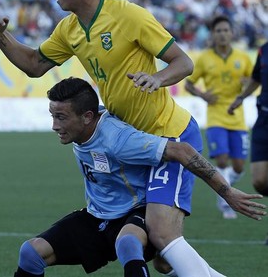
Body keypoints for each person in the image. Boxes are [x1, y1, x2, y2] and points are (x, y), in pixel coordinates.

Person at [0, 0, 245, 277]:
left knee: (161, 232)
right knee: (161, 255)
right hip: (130, 139)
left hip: (168, 131)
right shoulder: (70, 29)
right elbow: (34, 64)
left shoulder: (127, 15)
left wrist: (157, 79)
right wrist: (3, 38)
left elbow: (183, 62)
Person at [13, 76, 266, 277]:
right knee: (31, 253)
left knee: (128, 243)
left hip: (137, 212)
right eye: (52, 116)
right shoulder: (83, 122)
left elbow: (182, 150)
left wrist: (227, 192)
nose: (54, 126)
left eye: (61, 117)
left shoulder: (119, 139)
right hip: (97, 215)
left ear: (88, 117)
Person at [185, 15, 253, 220]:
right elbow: (189, 83)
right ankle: (224, 200)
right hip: (215, 117)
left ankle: (227, 187)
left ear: (232, 33)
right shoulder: (205, 59)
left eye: (226, 30)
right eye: (218, 31)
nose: (222, 34)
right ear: (213, 35)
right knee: (222, 160)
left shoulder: (243, 58)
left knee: (240, 166)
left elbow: (254, 81)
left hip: (237, 116)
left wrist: (246, 85)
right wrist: (202, 95)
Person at [228, 41, 268, 243]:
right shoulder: (263, 49)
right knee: (260, 181)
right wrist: (241, 98)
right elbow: (256, 79)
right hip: (263, 119)